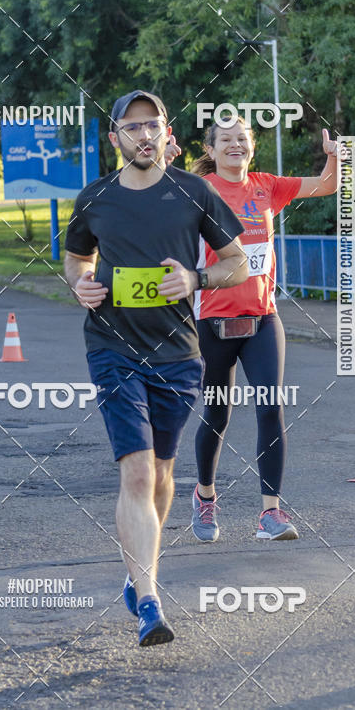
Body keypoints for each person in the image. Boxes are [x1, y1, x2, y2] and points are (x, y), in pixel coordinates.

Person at [64, 90, 248, 646]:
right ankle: (149, 600)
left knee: (164, 475)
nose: (144, 135)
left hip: (178, 355)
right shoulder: (94, 198)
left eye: (153, 125)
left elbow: (237, 263)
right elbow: (76, 262)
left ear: (167, 132)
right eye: (132, 126)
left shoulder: (194, 191)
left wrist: (196, 279)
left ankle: (135, 570)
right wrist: (81, 286)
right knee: (138, 472)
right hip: (113, 347)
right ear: (114, 136)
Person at [169, 118, 340, 543]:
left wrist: (336, 158)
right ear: (210, 149)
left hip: (263, 319)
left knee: (270, 408)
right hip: (212, 322)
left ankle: (270, 513)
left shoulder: (268, 186)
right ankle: (205, 496)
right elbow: (154, 198)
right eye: (225, 139)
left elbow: (325, 185)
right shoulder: (199, 189)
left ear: (252, 147)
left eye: (242, 139)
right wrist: (164, 161)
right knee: (218, 413)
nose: (235, 145)